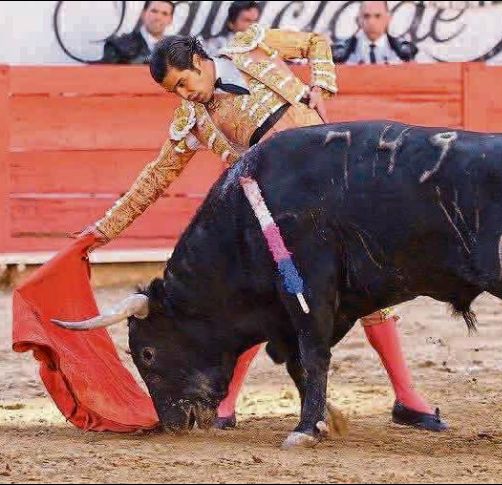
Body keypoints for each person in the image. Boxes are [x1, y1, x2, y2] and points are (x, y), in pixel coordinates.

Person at [80, 24, 447, 433]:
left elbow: (314, 41)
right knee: (260, 300)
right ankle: (227, 405)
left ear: (200, 62)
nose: (185, 95)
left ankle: (407, 398)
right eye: (175, 91)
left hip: (337, 192)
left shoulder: (251, 46)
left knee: (370, 291)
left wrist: (321, 85)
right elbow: (154, 179)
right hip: (286, 219)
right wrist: (102, 231)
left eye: (184, 82)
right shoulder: (192, 120)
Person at [332, 1, 418, 65]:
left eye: (378, 16)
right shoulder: (339, 52)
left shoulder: (406, 52)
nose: (371, 22)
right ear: (358, 20)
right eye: (366, 16)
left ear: (388, 18)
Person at [100, 1, 175, 64]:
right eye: (154, 11)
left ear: (170, 20)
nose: (158, 18)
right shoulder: (117, 46)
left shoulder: (178, 50)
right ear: (143, 14)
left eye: (164, 13)